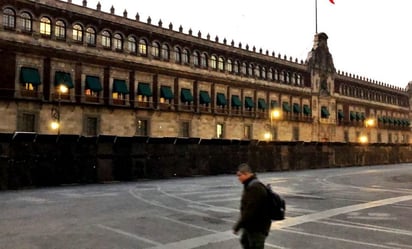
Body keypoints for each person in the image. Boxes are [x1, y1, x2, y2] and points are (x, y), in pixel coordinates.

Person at [233, 163, 271, 249]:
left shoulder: (255, 188)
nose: (238, 178)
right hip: (251, 225)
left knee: (255, 245)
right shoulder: (249, 185)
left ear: (246, 173)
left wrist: (238, 226)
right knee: (244, 240)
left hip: (258, 227)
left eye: (239, 175)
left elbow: (249, 210)